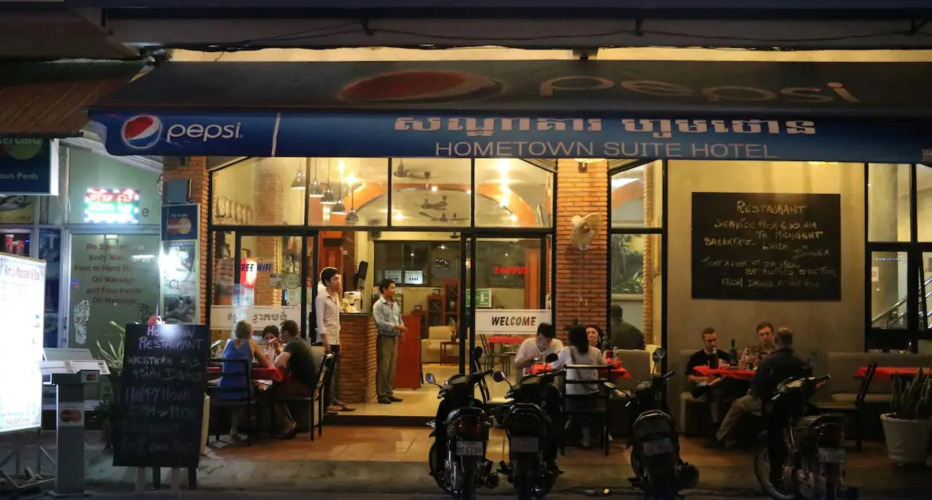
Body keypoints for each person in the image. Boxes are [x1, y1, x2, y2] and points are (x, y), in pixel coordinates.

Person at [751, 328, 811, 488]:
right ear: (791, 342)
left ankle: (776, 476)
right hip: (797, 409)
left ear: (776, 341)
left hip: (775, 410)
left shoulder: (768, 362)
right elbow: (809, 387)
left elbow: (757, 388)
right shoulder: (801, 363)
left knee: (775, 440)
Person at [551, 325, 607, 449]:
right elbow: (604, 366)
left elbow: (553, 366)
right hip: (592, 396)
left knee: (559, 396)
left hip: (572, 397)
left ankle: (567, 433)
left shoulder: (566, 351)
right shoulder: (596, 351)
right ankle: (592, 436)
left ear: (571, 339)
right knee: (589, 404)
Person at [218, 320, 270, 442]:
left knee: (239, 387)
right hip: (243, 390)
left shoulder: (228, 343)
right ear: (250, 332)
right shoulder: (251, 343)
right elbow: (266, 364)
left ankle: (234, 428)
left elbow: (222, 361)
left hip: (224, 388)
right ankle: (255, 426)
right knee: (260, 390)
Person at [684, 327, 735, 442]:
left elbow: (732, 373)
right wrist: (705, 378)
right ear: (704, 341)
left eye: (714, 340)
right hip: (703, 387)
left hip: (721, 387)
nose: (713, 343)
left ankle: (722, 433)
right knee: (714, 394)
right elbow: (690, 378)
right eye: (709, 341)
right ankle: (717, 433)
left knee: (721, 392)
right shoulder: (696, 357)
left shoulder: (724, 356)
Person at [315, 267, 354, 413]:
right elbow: (320, 321)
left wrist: (340, 341)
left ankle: (333, 400)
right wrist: (325, 341)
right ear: (326, 282)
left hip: (335, 338)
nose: (338, 281)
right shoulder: (321, 298)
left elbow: (336, 321)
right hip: (326, 340)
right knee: (326, 374)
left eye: (338, 278)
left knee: (334, 373)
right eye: (335, 279)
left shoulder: (336, 296)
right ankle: (326, 404)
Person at [273, 320, 319, 438]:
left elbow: (278, 364)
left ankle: (289, 424)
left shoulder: (292, 344)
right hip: (310, 385)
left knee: (270, 392)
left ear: (286, 333)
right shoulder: (300, 342)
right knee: (275, 389)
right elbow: (285, 363)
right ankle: (291, 423)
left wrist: (281, 361)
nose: (279, 335)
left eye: (280, 332)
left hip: (303, 387)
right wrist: (277, 350)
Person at [373, 278, 406, 404]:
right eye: (392, 288)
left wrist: (401, 330)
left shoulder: (394, 303)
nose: (394, 290)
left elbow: (399, 318)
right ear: (384, 289)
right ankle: (381, 395)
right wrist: (396, 327)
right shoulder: (378, 305)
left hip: (394, 338)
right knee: (383, 367)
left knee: (391, 367)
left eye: (394, 287)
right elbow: (380, 323)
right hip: (384, 338)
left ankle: (389, 392)